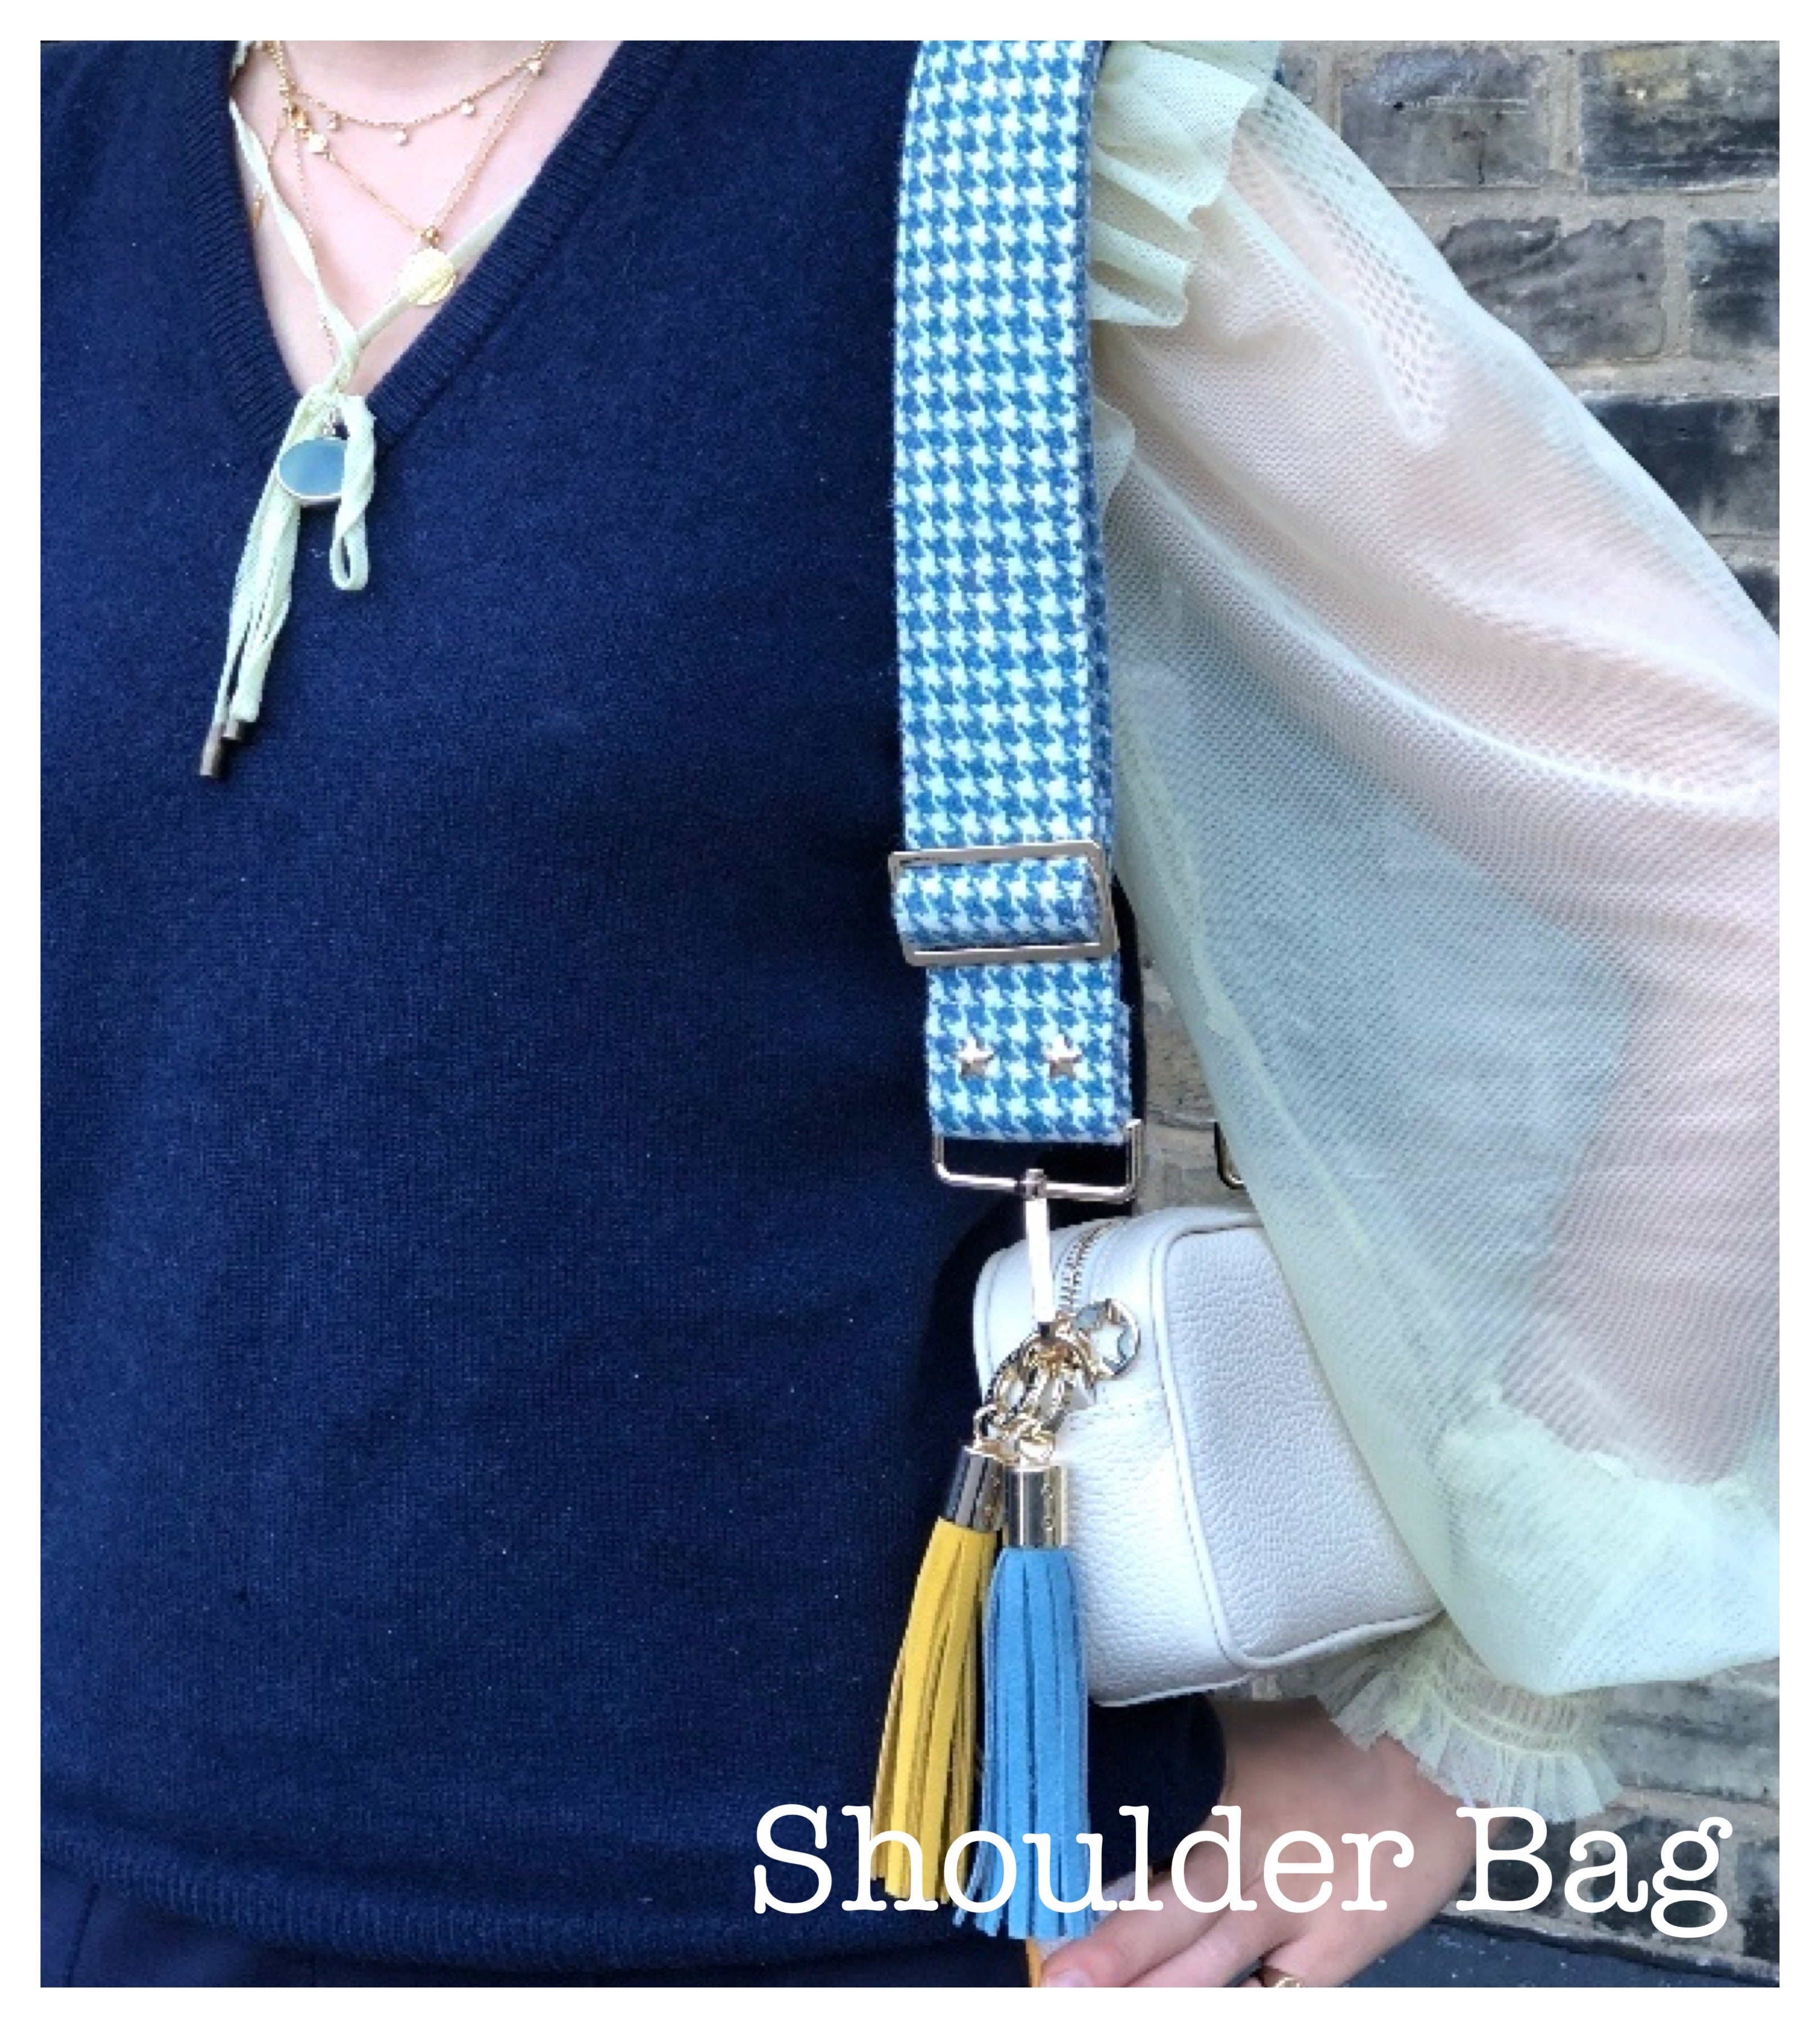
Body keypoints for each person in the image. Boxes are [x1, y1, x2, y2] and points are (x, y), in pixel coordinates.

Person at [41, 40, 1777, 1987]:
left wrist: (1470, 1725)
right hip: (84, 1863)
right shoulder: (63, 145)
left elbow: (1746, 860)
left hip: (849, 1897)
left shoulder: (1001, 140)